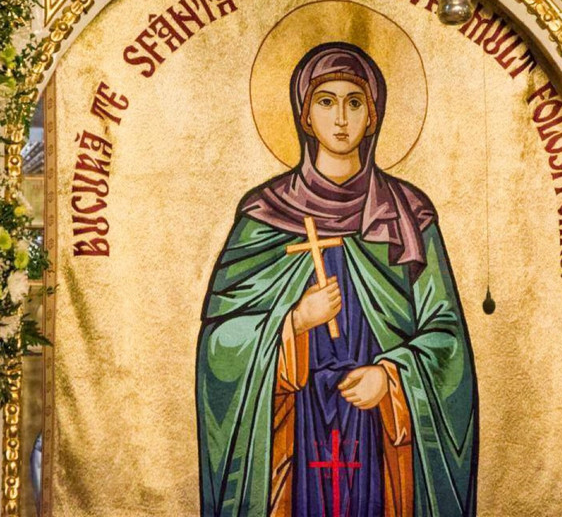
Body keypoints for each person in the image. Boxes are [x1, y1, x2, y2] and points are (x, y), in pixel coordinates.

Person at [196, 42, 478, 516]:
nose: (341, 119)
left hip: (378, 429)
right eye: (326, 102)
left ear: (373, 115)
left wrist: (392, 377)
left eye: (355, 102)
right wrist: (293, 324)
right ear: (305, 115)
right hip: (295, 424)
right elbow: (220, 347)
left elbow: (447, 339)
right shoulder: (264, 215)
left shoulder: (408, 215)